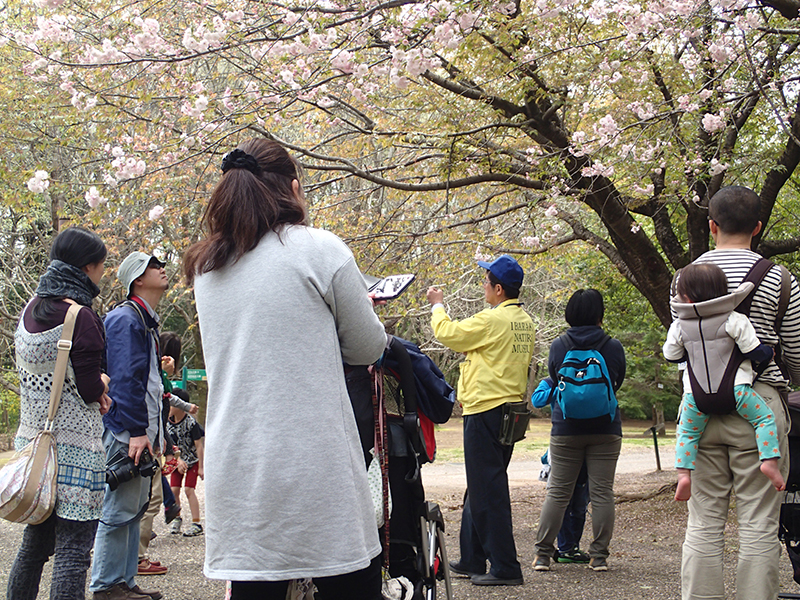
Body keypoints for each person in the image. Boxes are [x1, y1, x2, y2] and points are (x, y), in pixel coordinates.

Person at [184, 139, 387, 600]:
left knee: (256, 588)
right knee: (349, 585)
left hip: (239, 460)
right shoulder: (319, 249)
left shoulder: (207, 267)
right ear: (293, 189)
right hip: (312, 458)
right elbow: (367, 346)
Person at [676, 186, 800, 600]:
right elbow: (796, 356)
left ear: (711, 226)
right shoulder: (781, 278)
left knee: (704, 521)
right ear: (758, 228)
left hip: (700, 406)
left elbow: (682, 343)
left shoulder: (685, 277)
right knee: (760, 523)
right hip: (759, 405)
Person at [7, 227, 111, 600]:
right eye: (101, 266)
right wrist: (102, 382)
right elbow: (88, 389)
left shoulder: (27, 312)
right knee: (72, 552)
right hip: (75, 451)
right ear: (87, 267)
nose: (102, 273)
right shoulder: (79, 317)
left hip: (34, 449)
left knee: (33, 549)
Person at [427, 254, 533, 587]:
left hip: (485, 411)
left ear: (499, 289)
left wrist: (437, 305)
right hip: (509, 413)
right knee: (482, 486)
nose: (483, 286)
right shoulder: (524, 321)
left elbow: (449, 333)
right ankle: (472, 557)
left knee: (489, 492)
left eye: (486, 282)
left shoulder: (491, 321)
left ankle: (505, 566)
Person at [664, 262, 784, 502]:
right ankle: (769, 461)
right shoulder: (734, 319)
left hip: (694, 397)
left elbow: (671, 355)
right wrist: (770, 353)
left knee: (687, 433)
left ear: (687, 297)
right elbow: (754, 351)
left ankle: (684, 474)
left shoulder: (678, 326)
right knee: (764, 419)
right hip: (738, 390)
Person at [90, 251, 170, 600]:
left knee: (134, 509)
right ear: (138, 278)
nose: (162, 270)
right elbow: (125, 380)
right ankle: (106, 585)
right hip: (127, 431)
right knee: (120, 508)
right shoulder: (126, 319)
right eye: (154, 266)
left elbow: (149, 383)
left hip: (139, 432)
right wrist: (138, 430)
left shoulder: (143, 320)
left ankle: (124, 582)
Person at [533, 289, 626, 573]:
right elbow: (616, 383)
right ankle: (598, 557)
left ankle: (542, 556)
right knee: (602, 493)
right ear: (600, 314)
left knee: (558, 492)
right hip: (606, 429)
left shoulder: (559, 345)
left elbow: (553, 378)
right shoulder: (612, 346)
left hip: (566, 429)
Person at [532, 377, 591, 564]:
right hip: (562, 444)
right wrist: (561, 388)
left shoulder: (591, 375)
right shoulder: (550, 381)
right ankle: (566, 547)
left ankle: (572, 546)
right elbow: (537, 400)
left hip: (588, 445)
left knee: (580, 500)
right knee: (563, 498)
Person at [166, 391, 205, 537]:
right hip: (178, 461)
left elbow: (199, 446)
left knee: (189, 489)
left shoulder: (191, 423)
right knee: (174, 490)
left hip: (193, 461)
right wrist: (177, 461)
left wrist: (201, 466)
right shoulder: (167, 423)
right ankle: (177, 518)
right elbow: (170, 446)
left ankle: (196, 523)